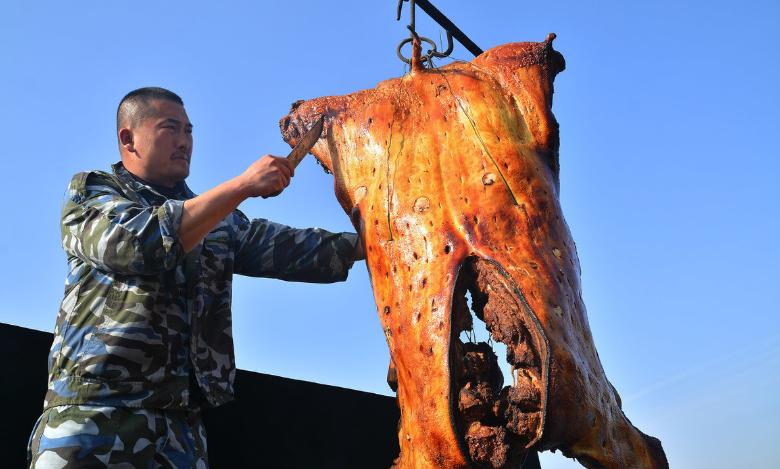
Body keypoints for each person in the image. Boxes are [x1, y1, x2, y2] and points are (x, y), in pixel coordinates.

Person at [27, 87, 364, 468]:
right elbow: (141, 243)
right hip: (96, 418)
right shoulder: (92, 193)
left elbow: (281, 247)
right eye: (170, 128)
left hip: (179, 431)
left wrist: (376, 241)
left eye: (189, 131)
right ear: (128, 138)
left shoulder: (214, 219)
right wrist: (241, 186)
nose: (184, 141)